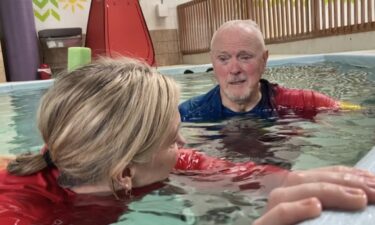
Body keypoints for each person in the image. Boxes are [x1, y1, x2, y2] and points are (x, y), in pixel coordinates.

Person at [0, 57, 373, 225]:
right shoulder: (20, 213)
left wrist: (289, 180)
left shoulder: (99, 158)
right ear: (124, 173)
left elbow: (232, 172)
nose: (182, 142)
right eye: (171, 139)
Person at [179, 20, 361, 122]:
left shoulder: (304, 102)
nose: (234, 69)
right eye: (224, 59)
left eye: (245, 57)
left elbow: (361, 113)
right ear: (213, 62)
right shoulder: (188, 115)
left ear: (264, 60)